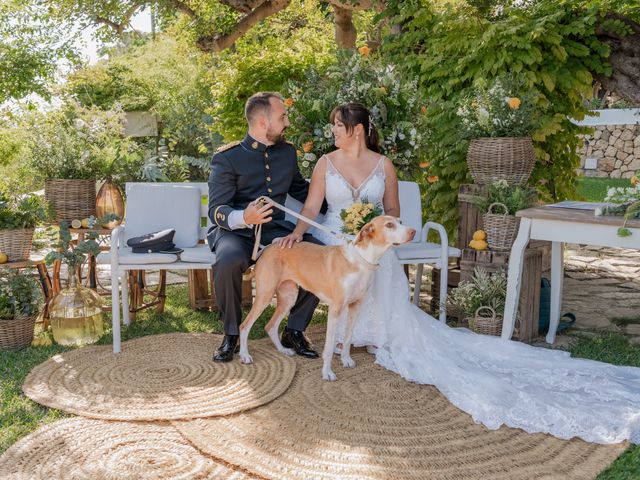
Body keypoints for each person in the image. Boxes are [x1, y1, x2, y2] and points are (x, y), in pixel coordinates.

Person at [276, 102, 640, 445]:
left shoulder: (383, 164)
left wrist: (385, 234)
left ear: (355, 130)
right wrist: (295, 235)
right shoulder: (326, 162)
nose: (333, 131)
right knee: (326, 270)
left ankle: (374, 333)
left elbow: (392, 211)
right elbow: (312, 206)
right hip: (337, 238)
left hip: (373, 240)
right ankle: (331, 333)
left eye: (338, 126)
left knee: (380, 276)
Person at [207, 92, 322, 363]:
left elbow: (301, 190)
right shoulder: (227, 158)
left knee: (318, 253)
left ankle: (294, 330)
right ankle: (232, 335)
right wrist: (244, 216)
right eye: (282, 117)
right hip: (237, 232)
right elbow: (216, 210)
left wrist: (341, 203)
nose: (287, 122)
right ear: (262, 121)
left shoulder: (287, 152)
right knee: (228, 260)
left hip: (277, 231)